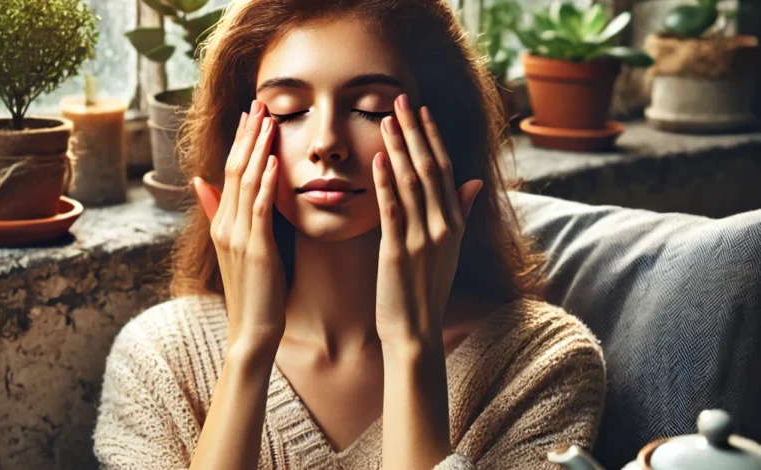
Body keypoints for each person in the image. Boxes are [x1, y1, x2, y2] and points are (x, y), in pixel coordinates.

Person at [93, 0, 606, 468]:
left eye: (373, 108)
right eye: (289, 111)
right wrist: (249, 348)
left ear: (442, 132)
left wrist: (411, 346)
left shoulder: (542, 364)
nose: (326, 144)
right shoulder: (161, 360)